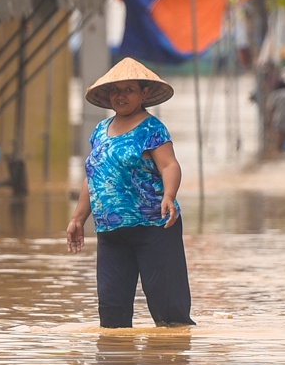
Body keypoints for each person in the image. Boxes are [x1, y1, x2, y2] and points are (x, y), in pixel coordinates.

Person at [66, 57, 194, 329]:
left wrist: (169, 196)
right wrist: (77, 219)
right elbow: (94, 177)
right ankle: (118, 357)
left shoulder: (152, 129)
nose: (120, 95)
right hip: (111, 233)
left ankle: (173, 355)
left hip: (154, 227)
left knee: (170, 315)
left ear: (144, 94)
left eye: (128, 90)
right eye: (115, 90)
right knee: (111, 317)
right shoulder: (100, 131)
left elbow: (169, 165)